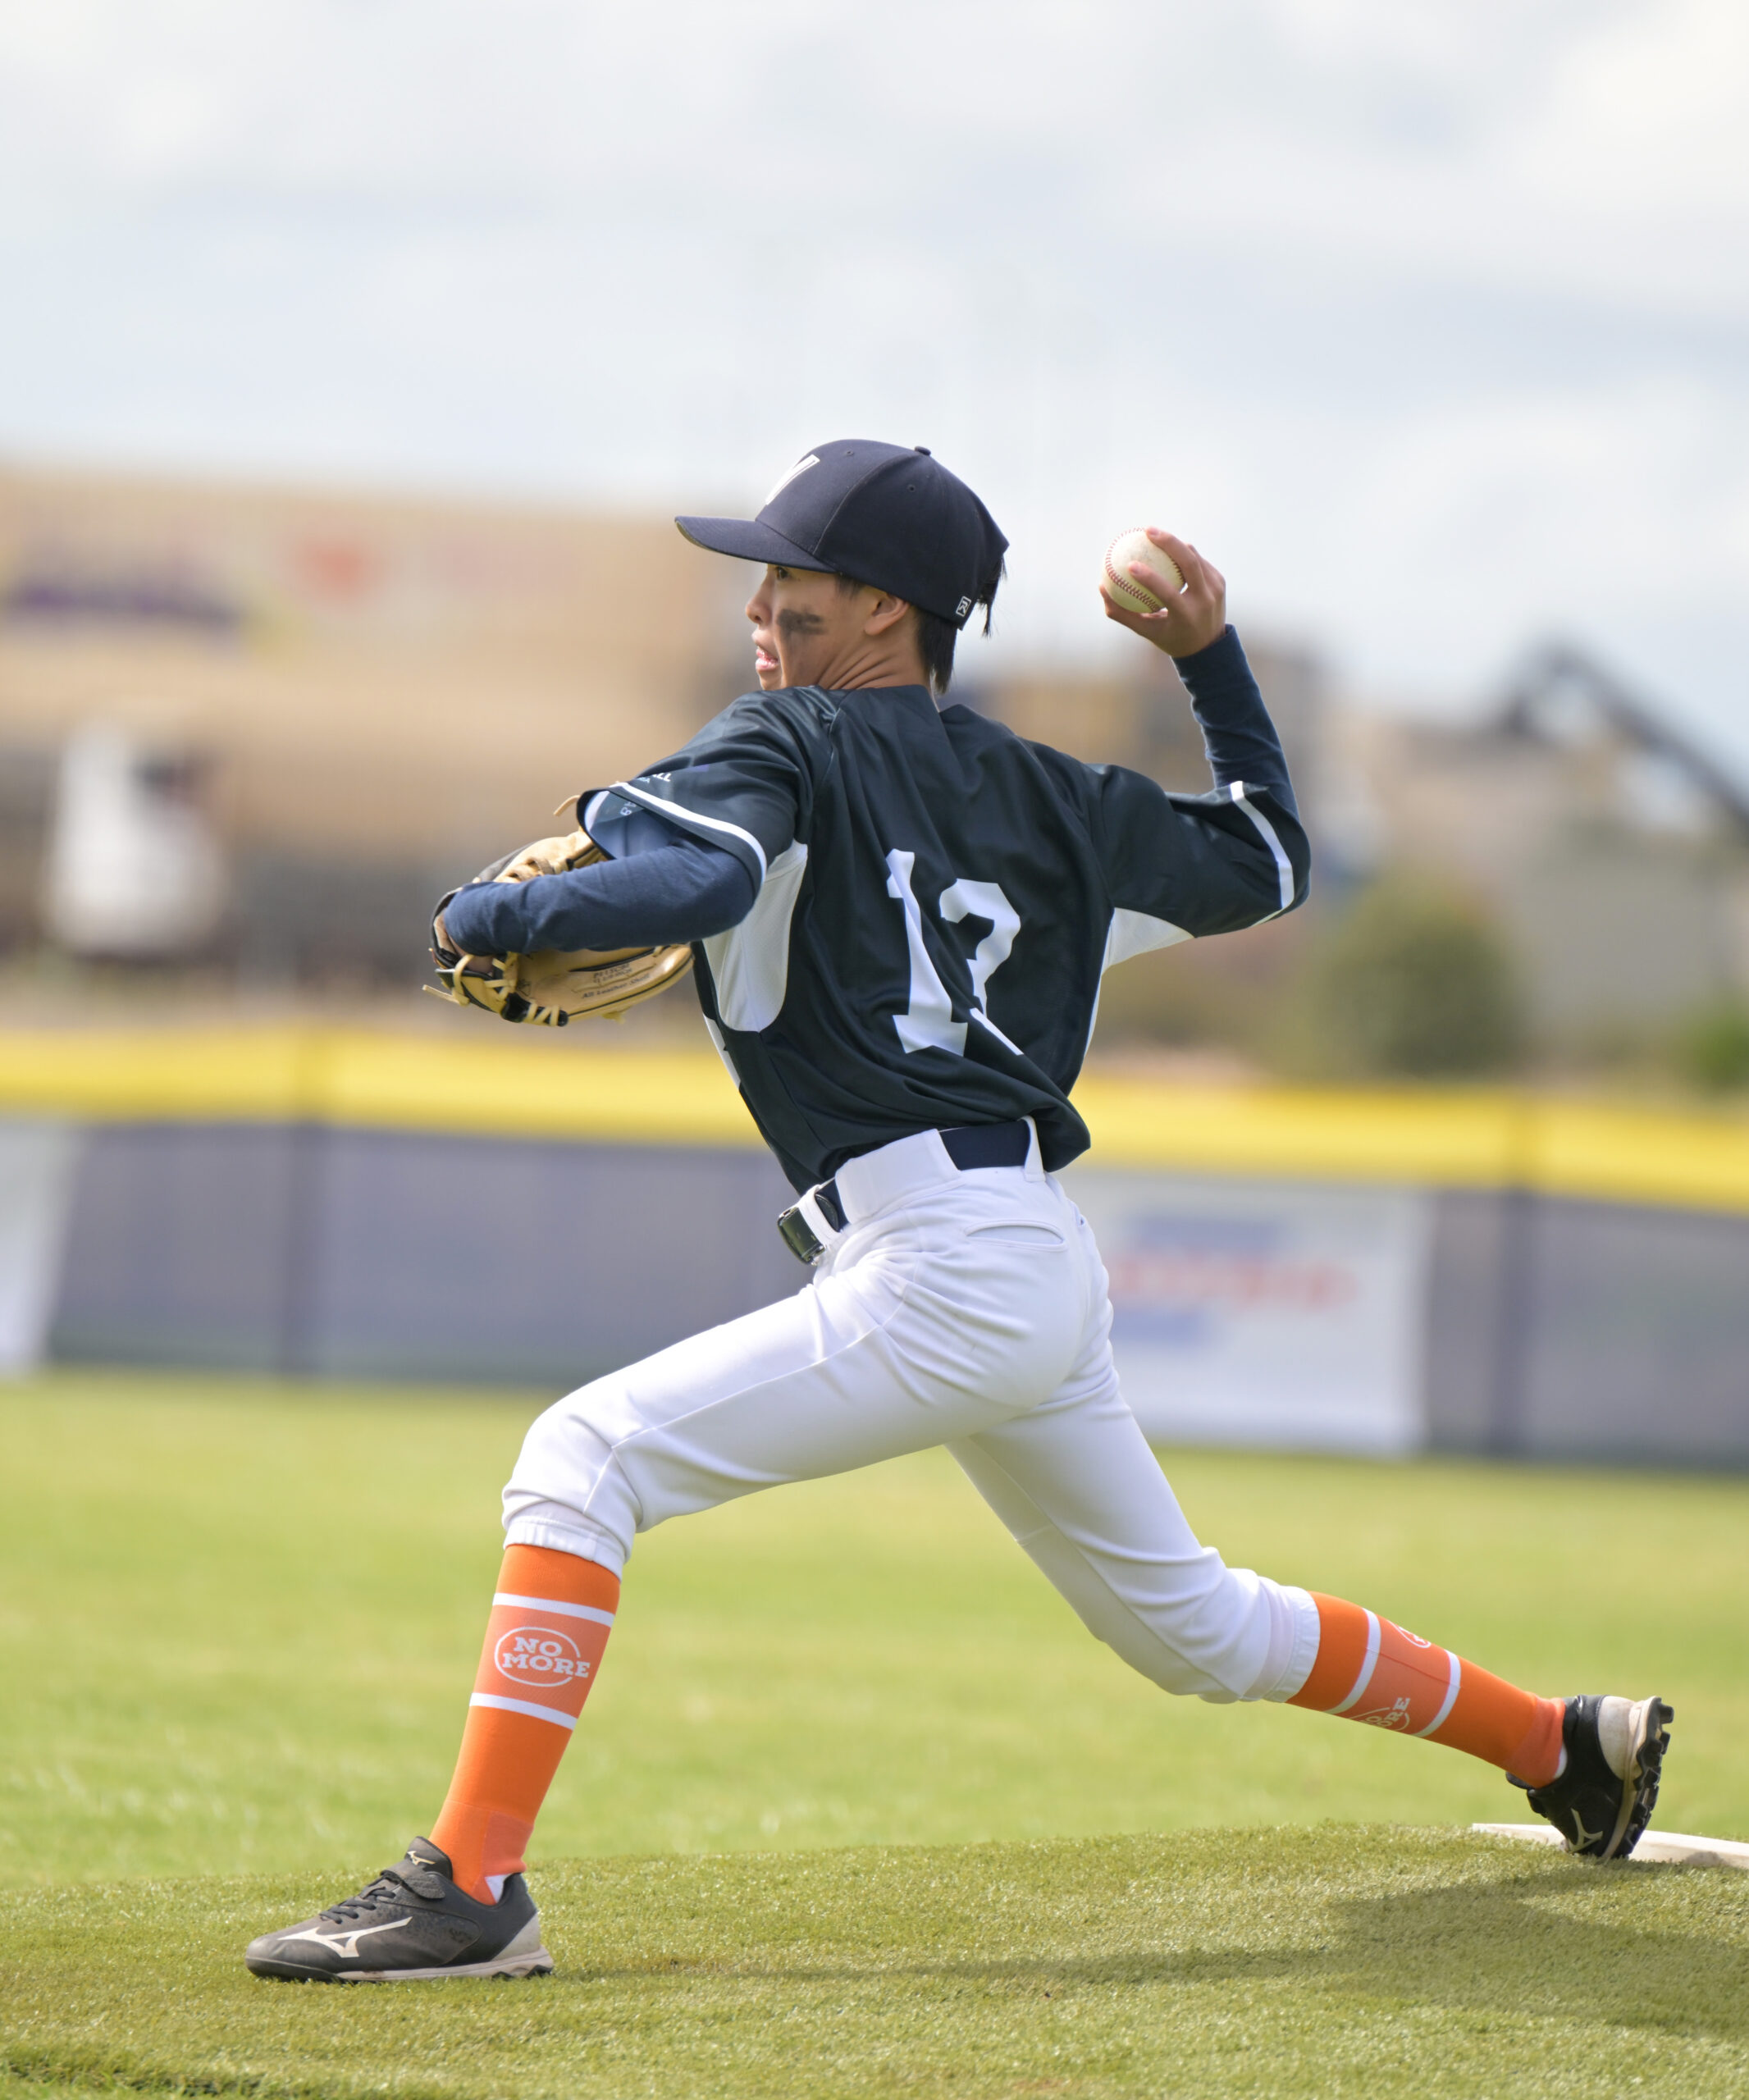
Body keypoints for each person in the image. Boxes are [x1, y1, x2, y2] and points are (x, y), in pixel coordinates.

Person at [244, 441, 1671, 1983]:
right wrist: (1212, 660)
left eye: (789, 576)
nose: (762, 602)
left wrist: (488, 913)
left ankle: (469, 1887)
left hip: (936, 1262)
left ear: (881, 606)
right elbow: (1268, 860)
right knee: (1191, 1629)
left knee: (579, 1458)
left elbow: (691, 889)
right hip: (1026, 1259)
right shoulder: (1050, 797)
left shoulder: (787, 743)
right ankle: (1561, 1744)